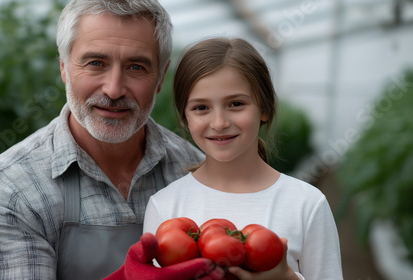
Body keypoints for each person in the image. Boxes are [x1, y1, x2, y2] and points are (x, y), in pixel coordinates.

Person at [0, 0, 224, 279]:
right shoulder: (12, 189)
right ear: (64, 68)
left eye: (136, 67)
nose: (113, 90)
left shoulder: (197, 171)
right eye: (96, 63)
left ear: (160, 77)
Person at [143, 37, 344, 279]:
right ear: (185, 118)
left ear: (265, 109)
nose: (219, 123)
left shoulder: (307, 204)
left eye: (236, 104)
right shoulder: (165, 206)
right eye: (201, 108)